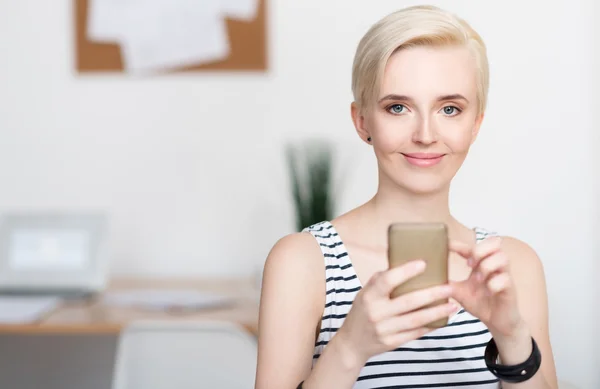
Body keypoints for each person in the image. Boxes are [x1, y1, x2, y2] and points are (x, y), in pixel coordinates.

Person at [255, 5, 558, 389]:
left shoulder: (513, 264)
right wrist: (349, 347)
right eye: (398, 107)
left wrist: (512, 335)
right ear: (362, 120)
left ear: (476, 123)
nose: (426, 134)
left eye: (450, 109)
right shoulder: (304, 262)